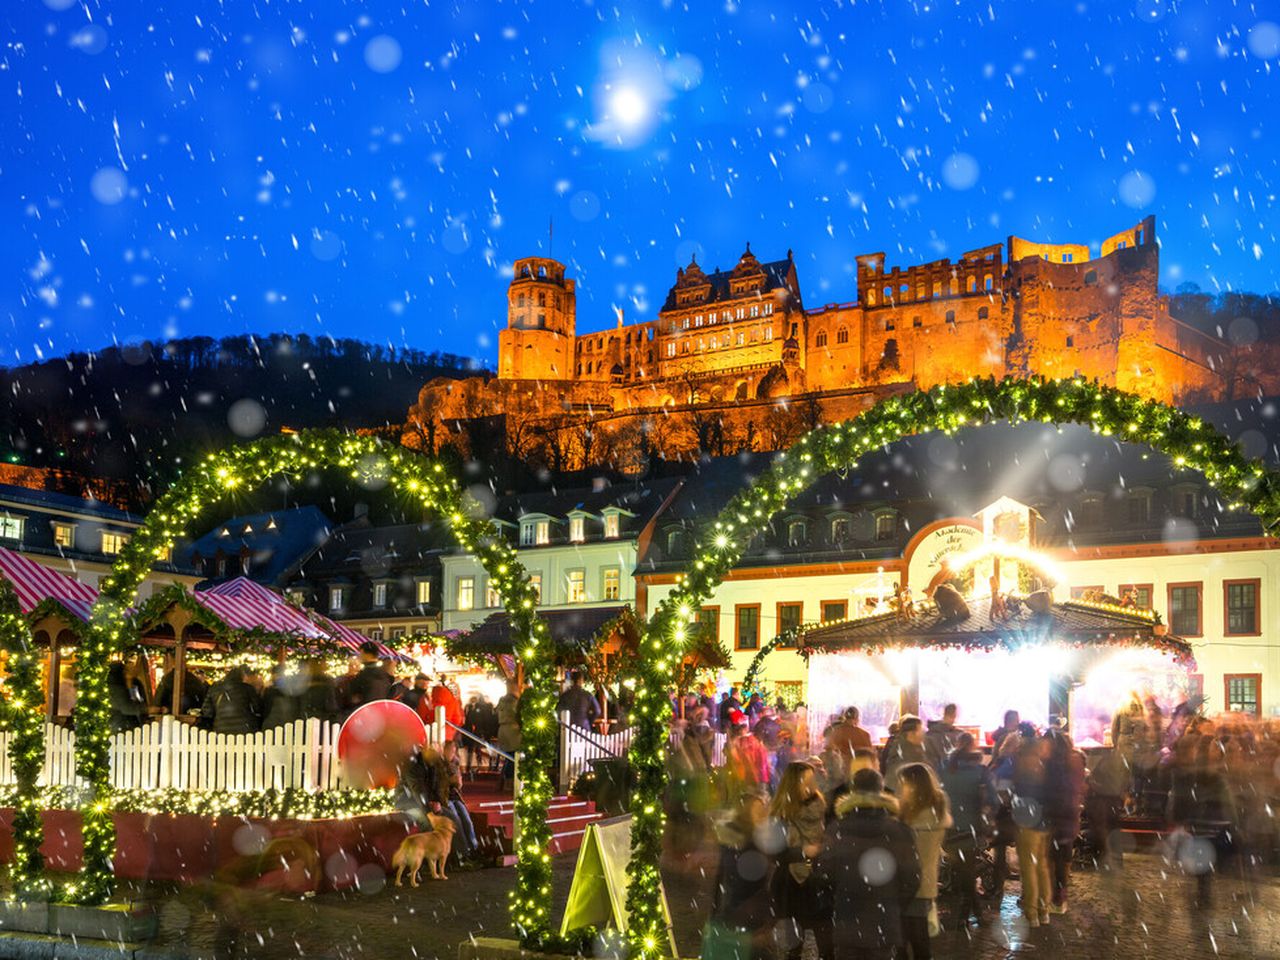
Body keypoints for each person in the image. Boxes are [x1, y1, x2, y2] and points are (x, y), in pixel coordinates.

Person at [815, 767, 921, 960]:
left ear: (852, 791)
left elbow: (824, 875)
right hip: (884, 922)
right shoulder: (899, 831)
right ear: (881, 790)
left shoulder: (836, 829)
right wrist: (893, 903)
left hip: (847, 922)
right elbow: (912, 878)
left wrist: (840, 899)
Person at [771, 762, 831, 960]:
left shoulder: (822, 808)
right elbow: (774, 852)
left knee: (826, 943)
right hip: (790, 884)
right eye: (805, 781)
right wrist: (803, 852)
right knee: (793, 946)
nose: (810, 786)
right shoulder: (780, 814)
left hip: (818, 881)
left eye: (811, 780)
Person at [707, 788, 776, 960]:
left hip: (738, 921)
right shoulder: (747, 847)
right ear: (747, 815)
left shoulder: (734, 842)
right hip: (745, 922)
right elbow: (747, 888)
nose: (765, 816)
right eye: (760, 812)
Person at [895, 762, 952, 957]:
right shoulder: (936, 810)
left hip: (907, 885)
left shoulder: (911, 818)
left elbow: (905, 856)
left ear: (913, 785)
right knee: (920, 941)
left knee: (905, 940)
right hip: (925, 884)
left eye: (904, 783)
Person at [940, 733, 991, 927]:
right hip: (970, 829)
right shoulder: (979, 771)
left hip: (950, 828)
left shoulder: (944, 768)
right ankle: (964, 917)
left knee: (963, 871)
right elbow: (992, 800)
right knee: (967, 872)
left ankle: (975, 914)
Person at [1043, 731, 1086, 914]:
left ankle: (1055, 898)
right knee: (1064, 855)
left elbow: (1052, 789)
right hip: (1072, 812)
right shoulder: (1076, 759)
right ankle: (1061, 898)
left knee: (1054, 857)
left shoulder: (1054, 764)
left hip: (1056, 813)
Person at [1011, 735, 1051, 927]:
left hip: (1028, 822)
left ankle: (1032, 912)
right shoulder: (1044, 767)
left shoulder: (1024, 767)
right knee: (1042, 867)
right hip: (1044, 822)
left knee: (1029, 869)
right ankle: (1044, 911)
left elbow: (1018, 795)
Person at [440, 740, 480, 860]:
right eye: (450, 751)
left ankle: (474, 848)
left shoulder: (455, 763)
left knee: (467, 821)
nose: (452, 754)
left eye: (454, 751)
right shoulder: (439, 764)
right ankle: (464, 852)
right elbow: (438, 784)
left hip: (456, 796)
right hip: (445, 797)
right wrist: (449, 781)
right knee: (457, 821)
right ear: (444, 750)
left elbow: (458, 783)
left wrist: (458, 783)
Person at [200, 666, 263, 735]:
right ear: (243, 676)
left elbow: (207, 711)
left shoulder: (215, 688)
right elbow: (257, 708)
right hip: (245, 729)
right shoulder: (247, 689)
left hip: (221, 729)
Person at [725, 711, 770, 799]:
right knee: (759, 797)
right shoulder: (752, 741)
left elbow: (736, 759)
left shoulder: (746, 742)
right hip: (757, 775)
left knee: (753, 797)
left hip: (750, 776)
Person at [884, 716, 928, 794]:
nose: (924, 732)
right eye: (921, 730)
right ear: (911, 734)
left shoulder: (917, 748)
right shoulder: (904, 752)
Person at [346, 642, 393, 711]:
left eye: (360, 653)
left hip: (365, 712)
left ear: (364, 653)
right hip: (381, 712)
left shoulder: (365, 675)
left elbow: (354, 696)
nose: (359, 656)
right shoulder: (385, 674)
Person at [107, 659, 148, 733]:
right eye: (131, 668)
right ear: (124, 672)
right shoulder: (117, 686)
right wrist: (146, 709)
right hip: (121, 725)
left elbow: (141, 700)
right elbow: (125, 707)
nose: (135, 669)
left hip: (136, 723)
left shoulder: (137, 684)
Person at [496, 679, 523, 791]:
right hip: (513, 731)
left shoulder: (502, 700)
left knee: (508, 757)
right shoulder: (516, 701)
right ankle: (510, 782)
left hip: (502, 730)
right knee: (513, 757)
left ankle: (506, 781)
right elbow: (519, 716)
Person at [261, 665, 301, 730]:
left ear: (274, 674)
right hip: (289, 723)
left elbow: (265, 707)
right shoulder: (291, 688)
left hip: (273, 723)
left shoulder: (270, 690)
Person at [924, 703, 960, 770]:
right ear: (953, 716)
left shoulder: (929, 734)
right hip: (947, 770)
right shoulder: (956, 735)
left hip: (933, 770)